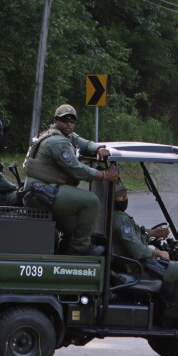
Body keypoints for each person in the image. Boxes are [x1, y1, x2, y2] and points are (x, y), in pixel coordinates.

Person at [23, 104, 119, 256]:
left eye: (72, 120)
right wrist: (105, 175)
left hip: (45, 189)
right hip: (42, 192)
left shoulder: (65, 136)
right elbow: (77, 169)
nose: (69, 123)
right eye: (64, 119)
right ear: (56, 120)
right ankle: (79, 248)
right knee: (91, 201)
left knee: (75, 228)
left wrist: (98, 148)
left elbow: (85, 143)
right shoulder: (57, 142)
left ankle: (66, 252)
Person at [112, 181, 178, 327]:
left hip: (130, 263)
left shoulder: (116, 216)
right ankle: (171, 319)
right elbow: (137, 249)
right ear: (112, 198)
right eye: (120, 197)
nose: (124, 198)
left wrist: (153, 233)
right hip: (134, 266)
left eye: (125, 195)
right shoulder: (119, 220)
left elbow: (134, 238)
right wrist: (158, 253)